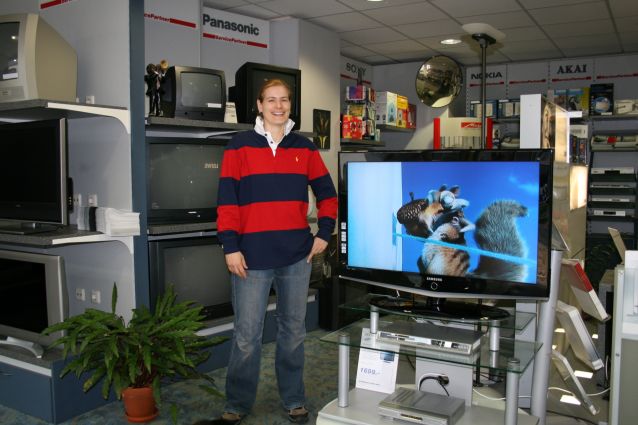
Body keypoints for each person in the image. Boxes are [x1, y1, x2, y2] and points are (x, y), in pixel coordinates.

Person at [210, 79, 337, 424]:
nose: (278, 106)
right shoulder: (239, 146)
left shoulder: (304, 148)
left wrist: (324, 233)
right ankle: (237, 403)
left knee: (293, 332)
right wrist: (230, 247)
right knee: (247, 336)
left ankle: (293, 398)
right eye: (271, 100)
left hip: (297, 256)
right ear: (259, 105)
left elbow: (328, 194)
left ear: (290, 105)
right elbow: (226, 201)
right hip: (250, 258)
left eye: (284, 100)